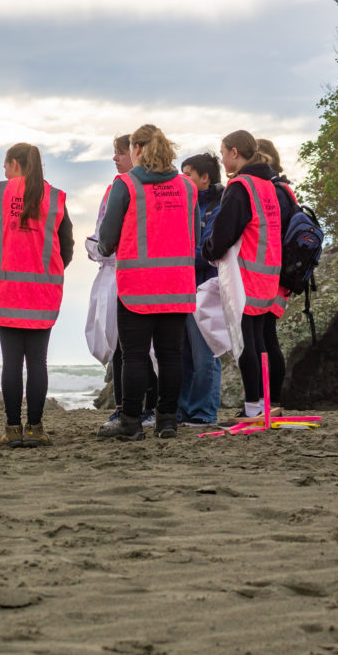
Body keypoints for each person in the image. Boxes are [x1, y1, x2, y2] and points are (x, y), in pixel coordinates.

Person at [96, 124, 198, 440]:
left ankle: (130, 422)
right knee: (170, 355)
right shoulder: (187, 187)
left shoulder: (126, 185)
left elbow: (108, 238)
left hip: (137, 287)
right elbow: (192, 233)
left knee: (135, 356)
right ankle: (167, 420)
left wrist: (102, 248)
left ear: (137, 149)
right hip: (177, 285)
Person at [0, 143, 74, 448]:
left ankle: (11, 428)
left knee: (10, 363)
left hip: (5, 289)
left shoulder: (0, 195)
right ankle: (35, 427)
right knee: (37, 362)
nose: (4, 173)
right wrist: (48, 273)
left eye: (6, 166)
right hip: (42, 293)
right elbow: (66, 246)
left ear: (16, 164)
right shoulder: (55, 198)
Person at [202, 130, 282, 420]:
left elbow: (224, 231)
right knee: (261, 341)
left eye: (223, 153)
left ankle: (252, 406)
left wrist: (208, 250)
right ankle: (264, 403)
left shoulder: (240, 187)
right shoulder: (268, 185)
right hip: (268, 274)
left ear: (235, 152)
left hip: (244, 273)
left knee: (245, 341)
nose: (222, 159)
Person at [90, 135, 160, 434]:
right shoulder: (113, 190)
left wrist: (102, 248)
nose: (116, 159)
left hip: (140, 275)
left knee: (147, 349)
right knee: (123, 346)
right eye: (114, 153)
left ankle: (151, 409)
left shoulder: (149, 188)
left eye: (120, 153)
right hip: (121, 273)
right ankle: (125, 409)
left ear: (137, 153)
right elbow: (102, 231)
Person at [177, 153, 225, 426]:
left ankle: (204, 412)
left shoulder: (219, 206)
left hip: (207, 289)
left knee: (205, 353)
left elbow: (208, 249)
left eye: (188, 175)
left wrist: (177, 253)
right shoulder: (184, 204)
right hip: (183, 287)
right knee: (182, 353)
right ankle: (182, 410)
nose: (183, 180)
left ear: (204, 178)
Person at [255, 138, 299, 411]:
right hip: (281, 273)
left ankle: (269, 400)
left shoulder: (275, 191)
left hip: (272, 273)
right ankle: (269, 400)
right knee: (266, 335)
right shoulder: (285, 189)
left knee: (265, 335)